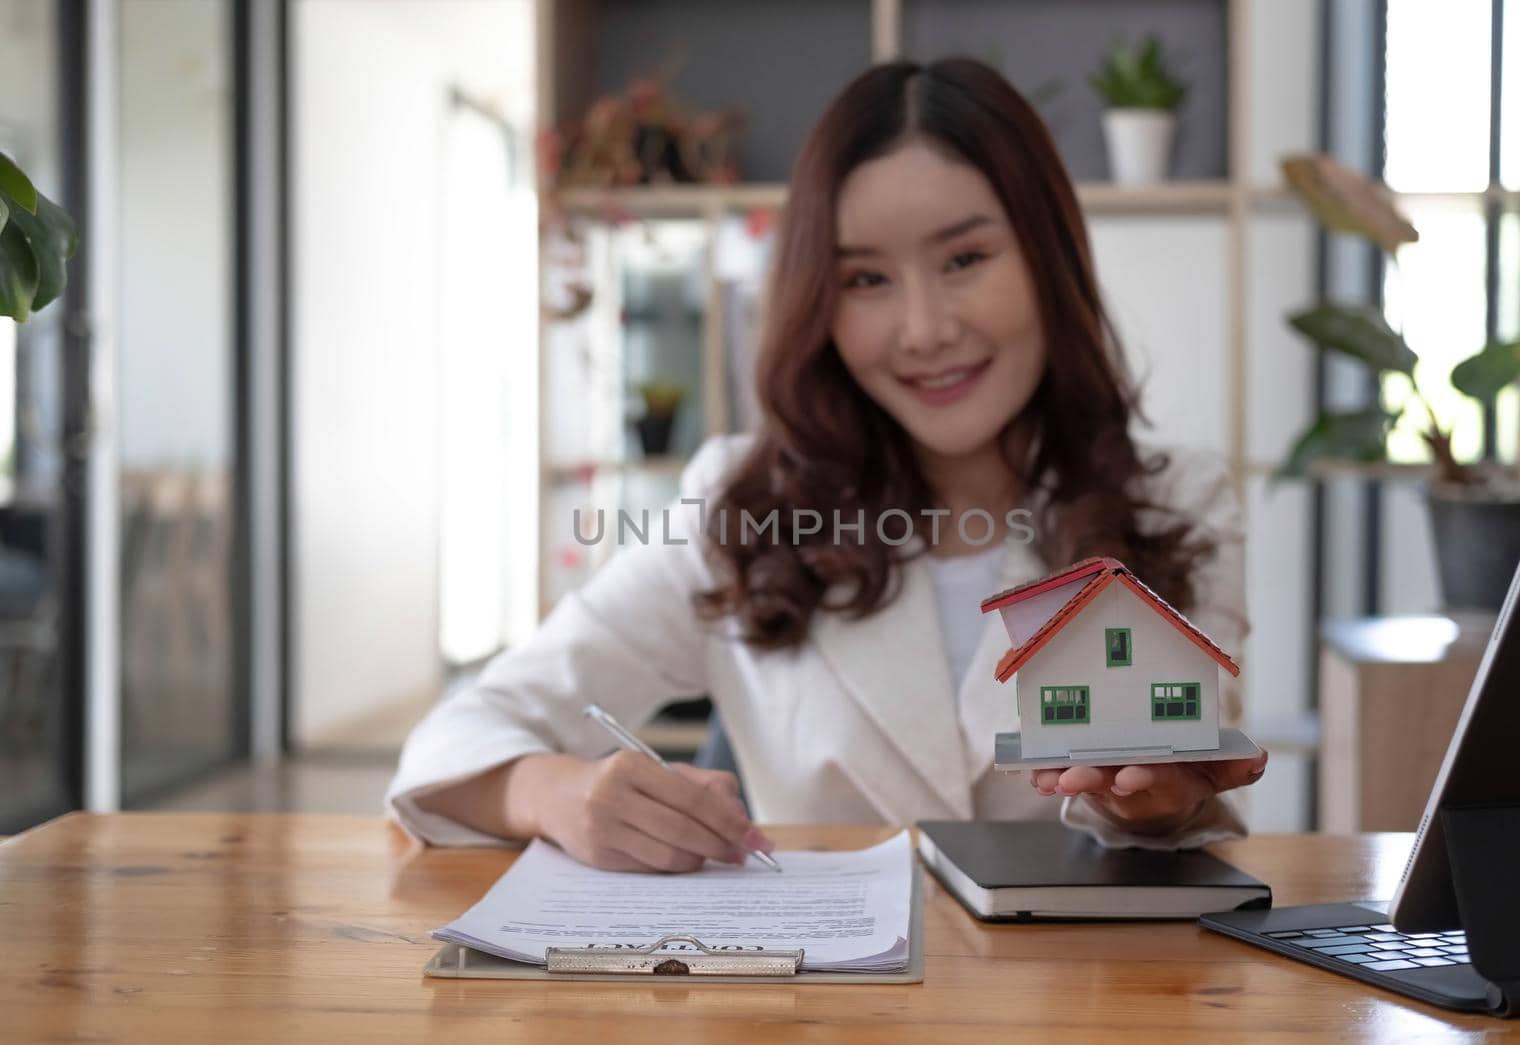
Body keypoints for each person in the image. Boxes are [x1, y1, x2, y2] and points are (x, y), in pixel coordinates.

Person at [387, 57, 1268, 870]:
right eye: (865, 279)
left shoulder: (1178, 502)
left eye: (965, 258)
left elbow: (1179, 797)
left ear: (1049, 256)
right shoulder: (740, 506)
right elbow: (458, 735)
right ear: (819, 300)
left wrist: (1156, 805)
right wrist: (561, 792)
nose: (924, 329)